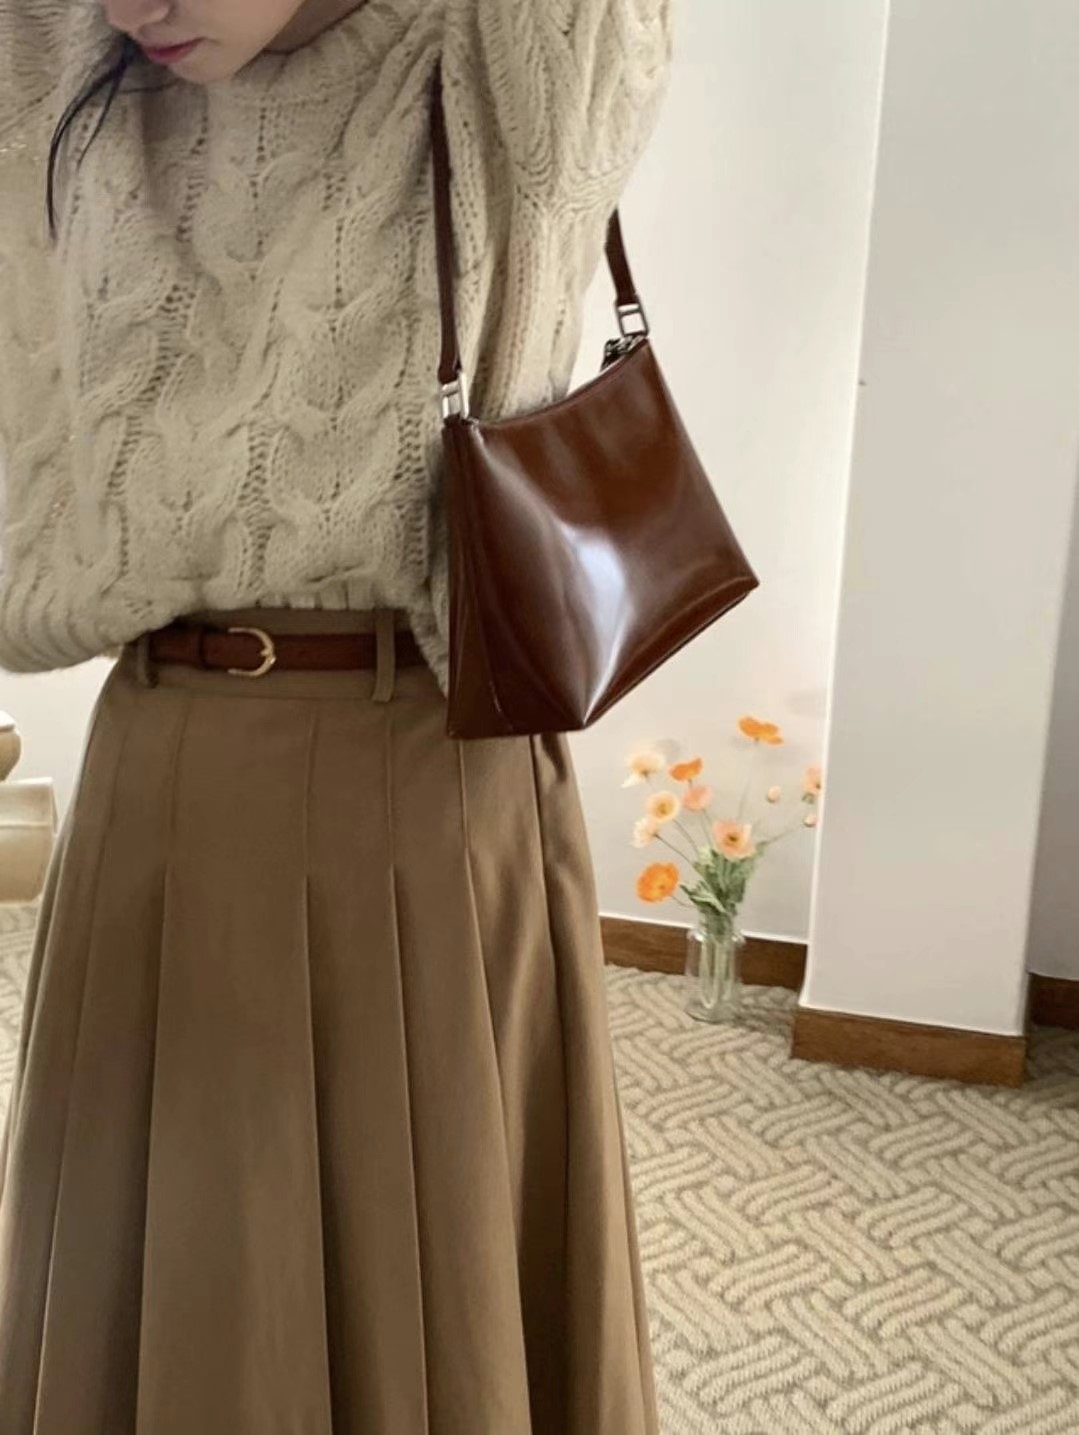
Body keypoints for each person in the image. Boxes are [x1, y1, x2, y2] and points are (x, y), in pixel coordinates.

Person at [0, 1, 675, 1430]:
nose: (135, 4)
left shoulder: (507, 54)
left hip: (428, 764)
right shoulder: (61, 65)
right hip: (156, 768)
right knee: (171, 1297)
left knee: (439, 1286)